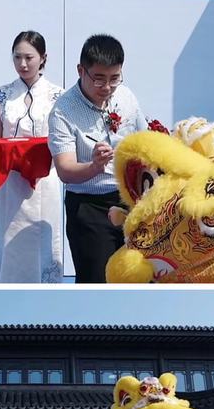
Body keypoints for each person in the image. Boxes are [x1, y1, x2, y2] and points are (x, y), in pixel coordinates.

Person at [48, 34, 147, 283]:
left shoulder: (126, 97)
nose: (107, 87)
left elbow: (145, 141)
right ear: (81, 70)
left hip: (131, 201)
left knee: (140, 276)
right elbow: (65, 170)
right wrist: (94, 166)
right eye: (99, 79)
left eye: (115, 78)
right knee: (97, 281)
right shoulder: (63, 111)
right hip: (89, 208)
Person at [0, 31, 64, 283]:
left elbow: (61, 140)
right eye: (17, 57)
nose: (23, 64)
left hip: (45, 177)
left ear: (43, 58)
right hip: (10, 179)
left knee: (43, 237)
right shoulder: (1, 95)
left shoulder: (58, 95)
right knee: (6, 235)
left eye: (29, 57)